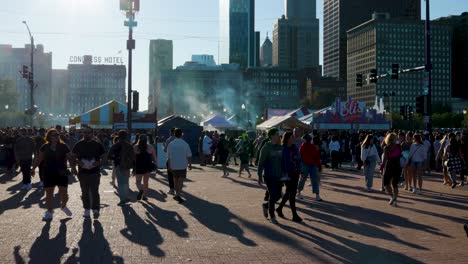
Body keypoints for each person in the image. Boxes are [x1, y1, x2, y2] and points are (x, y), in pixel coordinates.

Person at [32, 128, 73, 220]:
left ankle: (63, 206)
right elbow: (39, 159)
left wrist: (73, 167)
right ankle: (49, 211)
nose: (56, 136)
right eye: (54, 135)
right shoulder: (44, 147)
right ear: (49, 137)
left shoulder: (63, 146)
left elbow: (70, 157)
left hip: (62, 172)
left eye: (57, 135)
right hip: (48, 172)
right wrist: (33, 168)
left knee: (64, 193)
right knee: (49, 193)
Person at [71, 126, 106, 218]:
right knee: (84, 191)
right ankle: (86, 208)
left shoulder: (98, 144)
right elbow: (72, 157)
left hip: (95, 172)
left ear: (92, 133)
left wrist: (99, 162)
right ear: (82, 133)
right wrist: (76, 164)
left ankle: (95, 209)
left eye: (89, 132)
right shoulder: (78, 144)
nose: (87, 134)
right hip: (82, 172)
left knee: (95, 191)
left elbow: (104, 156)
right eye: (85, 132)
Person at [275, 132, 303, 223]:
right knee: (292, 193)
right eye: (292, 137)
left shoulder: (295, 147)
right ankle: (294, 215)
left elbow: (299, 160)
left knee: (288, 193)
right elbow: (279, 161)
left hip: (295, 173)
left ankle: (279, 208)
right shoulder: (283, 148)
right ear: (287, 138)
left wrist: (300, 169)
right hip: (287, 173)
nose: (294, 138)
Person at [257, 128, 283, 224]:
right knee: (272, 195)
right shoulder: (266, 148)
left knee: (279, 195)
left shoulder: (280, 147)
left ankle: (266, 205)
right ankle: (272, 216)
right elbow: (261, 162)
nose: (278, 136)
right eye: (277, 134)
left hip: (279, 175)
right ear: (272, 136)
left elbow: (283, 161)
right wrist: (259, 175)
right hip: (269, 175)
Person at [108, 130, 135, 205]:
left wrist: (115, 159)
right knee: (126, 182)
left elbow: (109, 156)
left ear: (118, 136)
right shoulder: (129, 145)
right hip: (127, 166)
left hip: (118, 165)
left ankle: (122, 199)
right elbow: (133, 157)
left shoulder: (115, 145)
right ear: (126, 136)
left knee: (120, 183)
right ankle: (126, 197)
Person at [167, 128, 192, 203]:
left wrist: (169, 166)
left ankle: (177, 194)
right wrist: (190, 164)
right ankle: (178, 194)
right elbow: (189, 155)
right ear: (182, 134)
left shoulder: (170, 144)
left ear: (174, 134)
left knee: (175, 180)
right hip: (182, 165)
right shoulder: (185, 144)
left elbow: (169, 157)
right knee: (180, 181)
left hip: (174, 165)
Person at [297, 135, 322, 201]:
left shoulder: (306, 146)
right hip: (308, 165)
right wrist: (319, 166)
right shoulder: (304, 146)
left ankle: (299, 193)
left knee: (304, 180)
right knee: (309, 180)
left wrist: (319, 165)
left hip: (310, 165)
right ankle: (316, 195)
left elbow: (317, 156)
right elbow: (317, 157)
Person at [380, 133, 402, 206]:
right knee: (395, 184)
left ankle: (392, 197)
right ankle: (395, 199)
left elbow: (385, 159)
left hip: (389, 165)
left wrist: (381, 167)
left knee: (386, 183)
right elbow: (401, 155)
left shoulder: (387, 147)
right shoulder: (398, 146)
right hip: (397, 165)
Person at [134, 134, 157, 200]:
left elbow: (133, 158)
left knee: (138, 181)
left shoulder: (135, 147)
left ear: (139, 139)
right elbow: (154, 157)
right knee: (146, 182)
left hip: (138, 166)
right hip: (148, 166)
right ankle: (144, 196)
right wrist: (155, 164)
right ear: (146, 139)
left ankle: (140, 189)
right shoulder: (150, 147)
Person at [164, 128, 176, 195]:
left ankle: (172, 190)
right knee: (177, 175)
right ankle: (177, 189)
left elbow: (165, 150)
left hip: (170, 160)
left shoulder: (168, 140)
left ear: (171, 132)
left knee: (170, 175)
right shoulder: (180, 140)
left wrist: (163, 147)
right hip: (178, 160)